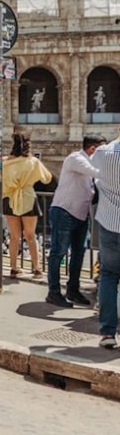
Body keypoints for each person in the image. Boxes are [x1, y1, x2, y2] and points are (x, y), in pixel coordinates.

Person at [45, 134, 105, 307]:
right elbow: (96, 172)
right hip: (64, 211)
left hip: (80, 213)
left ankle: (73, 290)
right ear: (93, 149)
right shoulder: (76, 159)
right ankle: (54, 292)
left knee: (79, 252)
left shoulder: (89, 162)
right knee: (59, 251)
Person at [2, 130, 53, 278]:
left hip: (10, 198)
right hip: (28, 197)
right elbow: (47, 178)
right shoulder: (33, 162)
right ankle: (36, 268)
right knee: (31, 236)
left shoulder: (6, 162)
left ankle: (13, 267)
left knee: (14, 236)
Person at [92, 132, 120, 348]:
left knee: (108, 276)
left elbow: (94, 177)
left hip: (110, 223)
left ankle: (108, 333)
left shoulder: (103, 152)